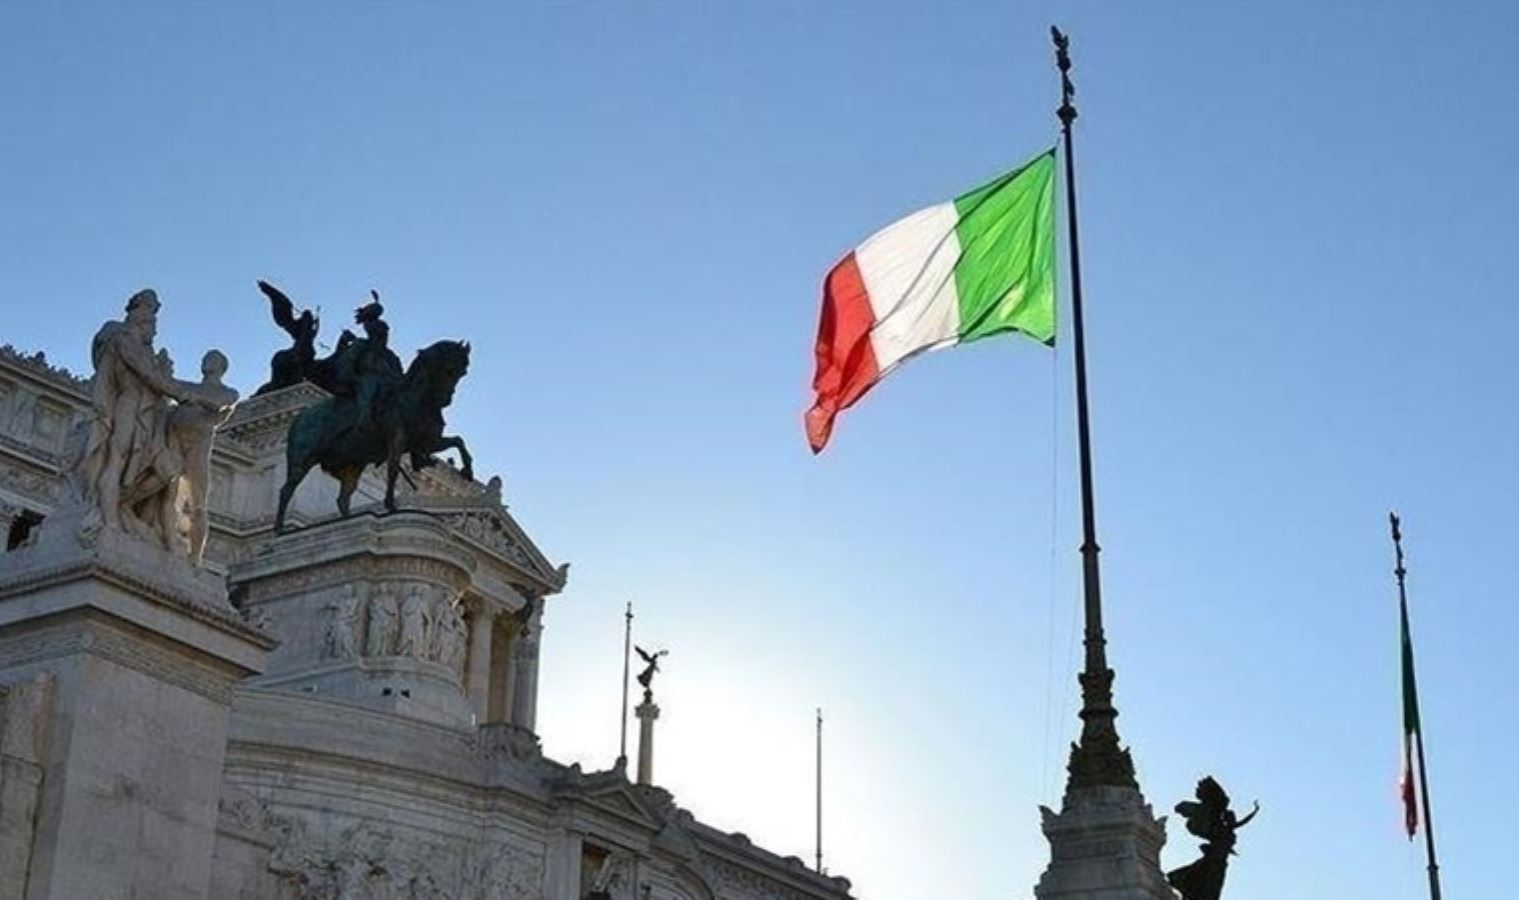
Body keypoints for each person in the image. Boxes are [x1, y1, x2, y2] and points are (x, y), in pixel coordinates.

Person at [72, 289, 191, 547]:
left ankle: (121, 504)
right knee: (116, 459)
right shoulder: (121, 336)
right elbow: (146, 373)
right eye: (152, 322)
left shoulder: (142, 347)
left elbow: (153, 376)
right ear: (140, 317)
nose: (155, 332)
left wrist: (167, 376)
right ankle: (110, 521)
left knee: (168, 472)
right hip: (127, 406)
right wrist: (185, 394)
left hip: (150, 415)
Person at [166, 350, 239, 565]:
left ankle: (196, 556)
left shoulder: (228, 392)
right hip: (173, 442)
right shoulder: (189, 386)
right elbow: (165, 385)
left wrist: (195, 398)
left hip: (197, 449)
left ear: (222, 367)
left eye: (212, 359)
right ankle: (168, 541)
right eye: (205, 358)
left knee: (197, 504)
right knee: (168, 494)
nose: (206, 362)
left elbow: (220, 407)